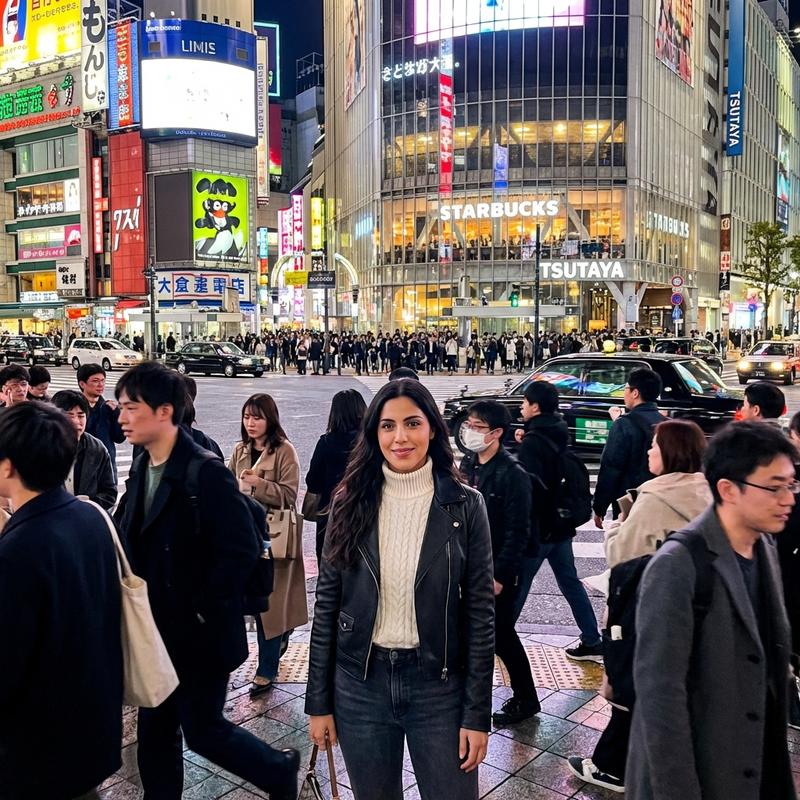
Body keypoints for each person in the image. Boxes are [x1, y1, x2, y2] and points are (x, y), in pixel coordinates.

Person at [113, 363, 299, 800]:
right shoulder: (143, 464)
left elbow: (239, 550)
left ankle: (277, 770)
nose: (121, 417)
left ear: (164, 411)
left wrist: (202, 607)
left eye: (130, 407)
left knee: (203, 731)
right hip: (156, 630)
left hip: (199, 633)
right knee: (155, 731)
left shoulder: (205, 471)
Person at [306, 379, 494, 800]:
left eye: (412, 423)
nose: (400, 437)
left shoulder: (466, 506)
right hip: (360, 685)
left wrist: (477, 713)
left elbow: (480, 614)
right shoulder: (349, 501)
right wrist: (318, 702)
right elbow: (328, 605)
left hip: (439, 688)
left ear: (432, 428)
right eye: (387, 426)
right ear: (374, 434)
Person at [626, 421, 797, 799]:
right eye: (773, 487)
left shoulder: (763, 544)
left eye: (791, 484)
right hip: (699, 775)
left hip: (751, 766)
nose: (788, 499)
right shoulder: (679, 563)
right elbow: (660, 697)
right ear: (727, 490)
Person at [568, 419, 711, 793]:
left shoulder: (655, 496)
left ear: (669, 452)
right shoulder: (706, 492)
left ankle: (612, 769)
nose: (649, 452)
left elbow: (620, 554)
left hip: (646, 608)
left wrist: (620, 522)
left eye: (654, 446)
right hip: (691, 609)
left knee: (631, 685)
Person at [0, 402, 122, 799]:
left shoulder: (19, 547)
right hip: (92, 727)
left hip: (40, 747)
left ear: (8, 466)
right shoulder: (90, 519)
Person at [459, 400, 538, 726]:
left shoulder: (512, 475)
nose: (468, 431)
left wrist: (501, 576)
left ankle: (526, 698)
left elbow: (519, 532)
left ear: (496, 434)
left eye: (476, 427)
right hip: (468, 566)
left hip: (494, 572)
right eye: (469, 425)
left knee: (502, 635)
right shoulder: (469, 464)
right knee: (486, 635)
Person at [514, 381, 603, 660]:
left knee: (518, 585)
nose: (521, 406)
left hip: (540, 529)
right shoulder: (558, 430)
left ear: (535, 407)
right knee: (570, 582)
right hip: (561, 526)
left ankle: (497, 637)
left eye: (525, 402)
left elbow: (530, 489)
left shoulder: (533, 443)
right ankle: (591, 639)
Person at [228, 393, 306, 697]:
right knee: (252, 601)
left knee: (270, 607)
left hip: (275, 537)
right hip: (245, 536)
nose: (250, 423)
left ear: (270, 419)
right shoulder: (240, 450)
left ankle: (266, 669)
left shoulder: (285, 451)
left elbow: (289, 495)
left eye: (257, 417)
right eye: (247, 417)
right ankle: (278, 639)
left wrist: (259, 485)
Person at [592, 368, 664, 528]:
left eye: (625, 388)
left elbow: (611, 468)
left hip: (629, 502)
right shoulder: (666, 424)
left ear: (635, 393)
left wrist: (599, 507)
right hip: (660, 501)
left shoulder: (623, 425)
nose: (624, 393)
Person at [306, 389, 367, 563]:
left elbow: (313, 480)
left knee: (328, 568)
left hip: (330, 514)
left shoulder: (326, 443)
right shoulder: (370, 442)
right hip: (363, 512)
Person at [52, 390, 118, 510]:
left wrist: (88, 504)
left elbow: (109, 493)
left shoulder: (97, 449)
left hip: (85, 520)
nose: (76, 422)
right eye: (69, 416)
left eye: (81, 416)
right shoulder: (41, 447)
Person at [78, 363, 125, 483]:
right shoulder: (76, 409)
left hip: (107, 465)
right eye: (95, 381)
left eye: (103, 381)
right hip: (82, 464)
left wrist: (116, 414)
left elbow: (119, 438)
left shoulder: (109, 408)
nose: (100, 385)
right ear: (82, 384)